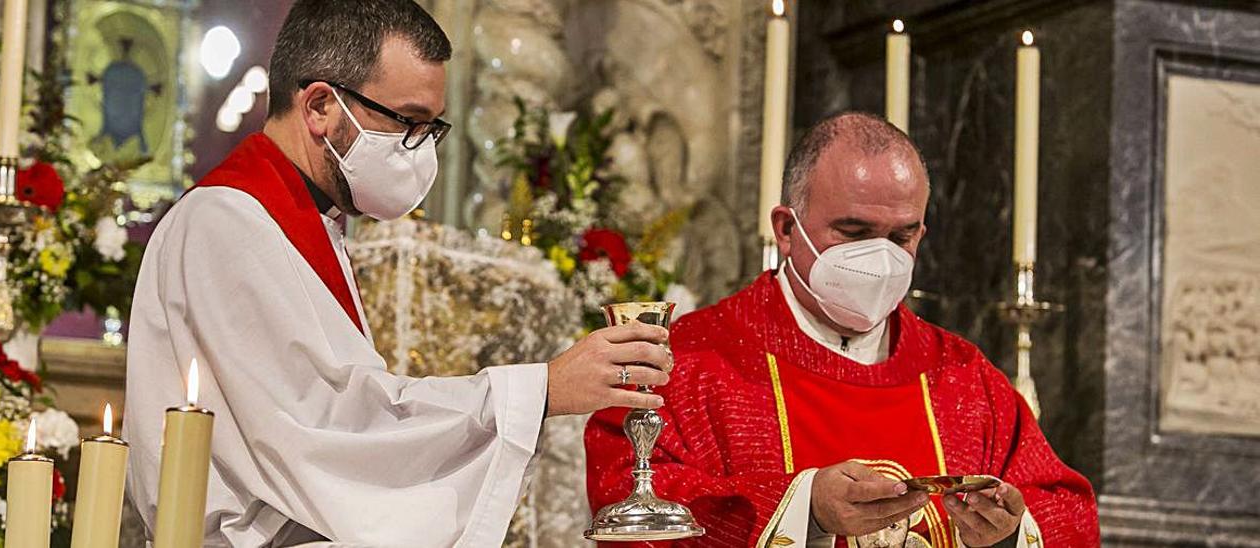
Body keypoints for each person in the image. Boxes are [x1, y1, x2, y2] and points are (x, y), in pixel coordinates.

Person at [123, 1, 672, 545]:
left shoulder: (306, 222)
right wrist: (542, 390)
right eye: (408, 122)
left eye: (432, 128)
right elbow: (332, 431)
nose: (419, 150)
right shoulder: (227, 222)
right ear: (320, 106)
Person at [584, 112, 1100, 547]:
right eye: (854, 232)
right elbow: (629, 509)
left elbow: (1068, 513)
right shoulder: (685, 362)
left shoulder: (963, 376)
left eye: (903, 235)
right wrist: (803, 508)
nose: (881, 256)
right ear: (787, 229)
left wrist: (1008, 533)